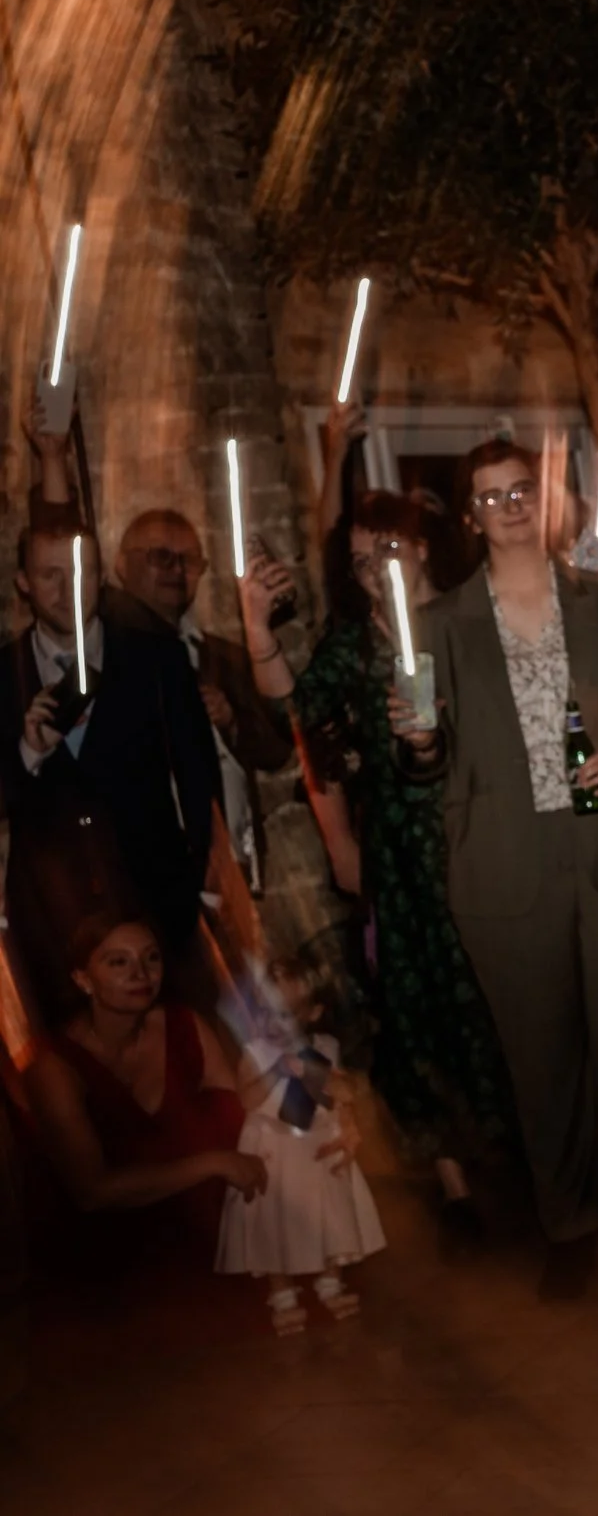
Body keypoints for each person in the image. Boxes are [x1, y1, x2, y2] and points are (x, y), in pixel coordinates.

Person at [396, 437, 598, 1299]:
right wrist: (417, 738)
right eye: (489, 496)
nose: (509, 506)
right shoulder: (436, 625)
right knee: (540, 1053)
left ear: (545, 497)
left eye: (521, 489)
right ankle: (569, 1218)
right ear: (470, 517)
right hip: (503, 862)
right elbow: (420, 757)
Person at [245, 491, 513, 1221]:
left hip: (479, 841)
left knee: (496, 1008)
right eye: (359, 560)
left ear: (422, 546)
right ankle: (454, 1186)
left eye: (386, 551)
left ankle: (516, 1169)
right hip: (400, 856)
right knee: (415, 1016)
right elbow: (290, 713)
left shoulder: (473, 615)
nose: (372, 570)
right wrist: (256, 629)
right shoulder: (354, 640)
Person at [2, 521, 223, 1011]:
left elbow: (197, 775)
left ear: (101, 575)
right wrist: (29, 752)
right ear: (23, 582)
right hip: (52, 914)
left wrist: (197, 877)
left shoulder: (158, 657)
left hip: (155, 902)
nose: (67, 591)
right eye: (50, 575)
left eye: (81, 573)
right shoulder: (4, 673)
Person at [23, 917, 262, 1272]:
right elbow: (91, 1192)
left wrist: (323, 1094)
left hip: (222, 1233)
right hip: (121, 1264)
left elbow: (248, 1113)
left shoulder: (185, 1026)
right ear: (83, 980)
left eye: (151, 958)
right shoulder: (55, 1066)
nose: (141, 973)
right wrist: (212, 1162)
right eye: (119, 962)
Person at [110, 510, 296, 894]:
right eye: (161, 557)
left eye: (189, 560)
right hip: (142, 873)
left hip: (230, 868)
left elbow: (278, 749)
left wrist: (230, 722)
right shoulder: (105, 655)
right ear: (122, 566)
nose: (176, 570)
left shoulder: (220, 656)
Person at [215, 950, 387, 1334]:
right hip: (273, 1149)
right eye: (265, 1012)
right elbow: (247, 1101)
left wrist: (340, 1102)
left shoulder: (324, 1047)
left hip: (317, 1145)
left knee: (329, 1213)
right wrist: (276, 1071)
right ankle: (283, 1294)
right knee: (276, 1223)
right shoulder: (255, 1053)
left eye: (286, 1015)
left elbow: (339, 1090)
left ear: (312, 1013)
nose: (273, 1025)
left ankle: (330, 1281)